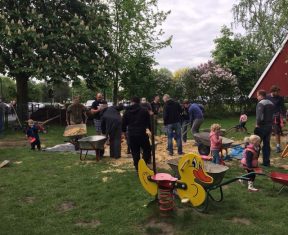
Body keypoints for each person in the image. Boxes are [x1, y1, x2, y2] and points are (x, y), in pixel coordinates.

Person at [122, 97, 151, 171]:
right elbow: (148, 122)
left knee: (135, 152)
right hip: (142, 133)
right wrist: (150, 130)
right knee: (147, 149)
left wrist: (124, 132)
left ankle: (138, 168)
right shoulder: (144, 110)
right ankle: (143, 164)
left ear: (132, 102)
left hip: (131, 134)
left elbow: (123, 123)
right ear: (139, 102)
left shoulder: (127, 111)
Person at [255, 89, 274, 167]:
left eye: (257, 96)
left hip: (262, 126)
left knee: (256, 143)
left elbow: (259, 116)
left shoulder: (261, 103)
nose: (257, 97)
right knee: (266, 144)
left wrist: (257, 124)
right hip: (269, 126)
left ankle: (254, 161)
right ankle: (266, 162)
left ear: (261, 95)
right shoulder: (271, 103)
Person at [266, 85, 287, 153]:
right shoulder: (267, 97)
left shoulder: (280, 98)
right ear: (273, 91)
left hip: (276, 117)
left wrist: (284, 117)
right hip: (268, 117)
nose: (278, 93)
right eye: (277, 92)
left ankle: (278, 146)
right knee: (268, 131)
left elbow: (283, 108)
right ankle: (267, 146)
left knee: (277, 131)